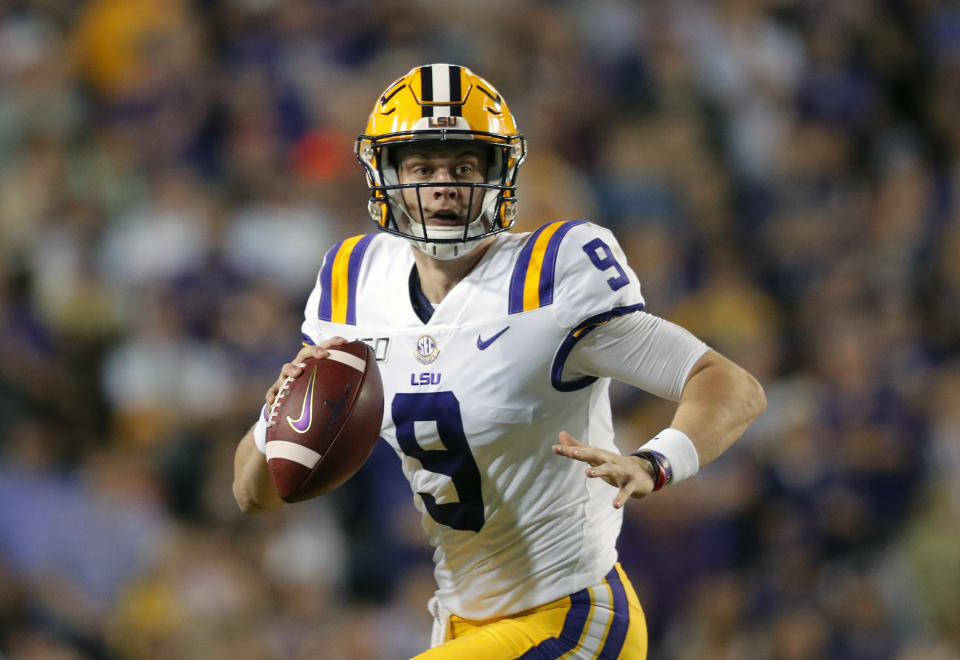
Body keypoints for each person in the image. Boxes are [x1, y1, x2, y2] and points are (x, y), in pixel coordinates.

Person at [232, 64, 766, 659]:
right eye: (422, 167)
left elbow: (730, 384)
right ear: (385, 176)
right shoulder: (355, 284)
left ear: (498, 173)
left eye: (463, 166)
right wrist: (280, 413)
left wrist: (656, 462)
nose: (443, 185)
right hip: (463, 624)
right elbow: (252, 494)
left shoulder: (552, 276)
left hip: (572, 616)